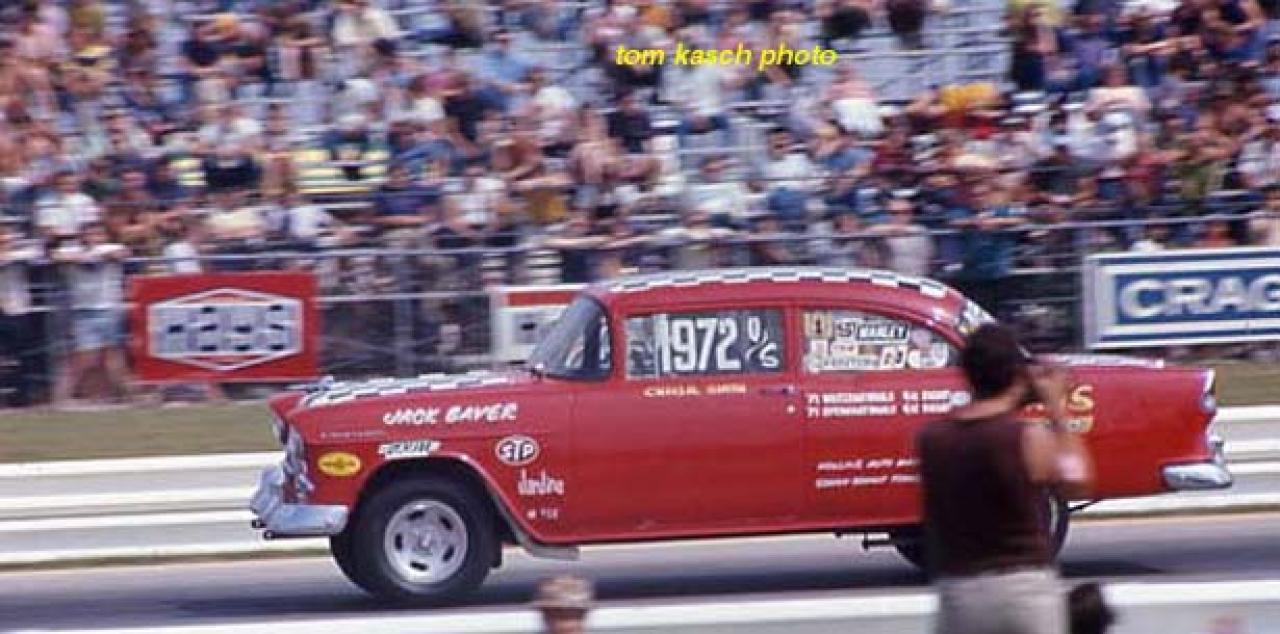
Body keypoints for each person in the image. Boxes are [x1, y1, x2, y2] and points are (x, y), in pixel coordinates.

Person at [917, 324, 1095, 634]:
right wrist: (1055, 406)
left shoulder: (932, 439)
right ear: (1016, 375)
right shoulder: (1026, 437)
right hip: (1023, 591)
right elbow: (1077, 480)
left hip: (960, 593)